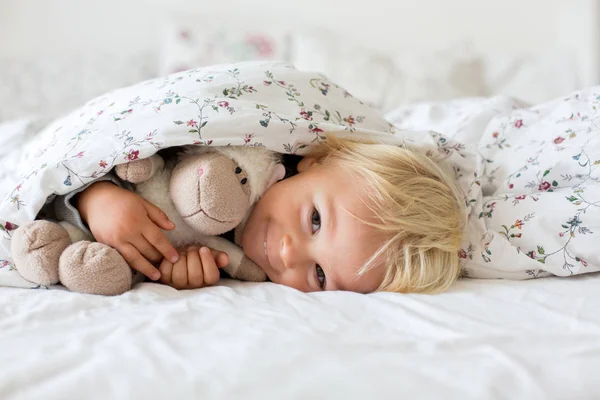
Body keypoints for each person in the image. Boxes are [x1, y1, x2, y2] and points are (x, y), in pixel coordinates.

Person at [65, 136, 465, 294]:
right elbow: (108, 151)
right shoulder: (246, 152)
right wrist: (96, 198)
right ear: (314, 163)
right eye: (315, 221)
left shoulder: (239, 265)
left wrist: (175, 267)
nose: (290, 255)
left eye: (320, 275)